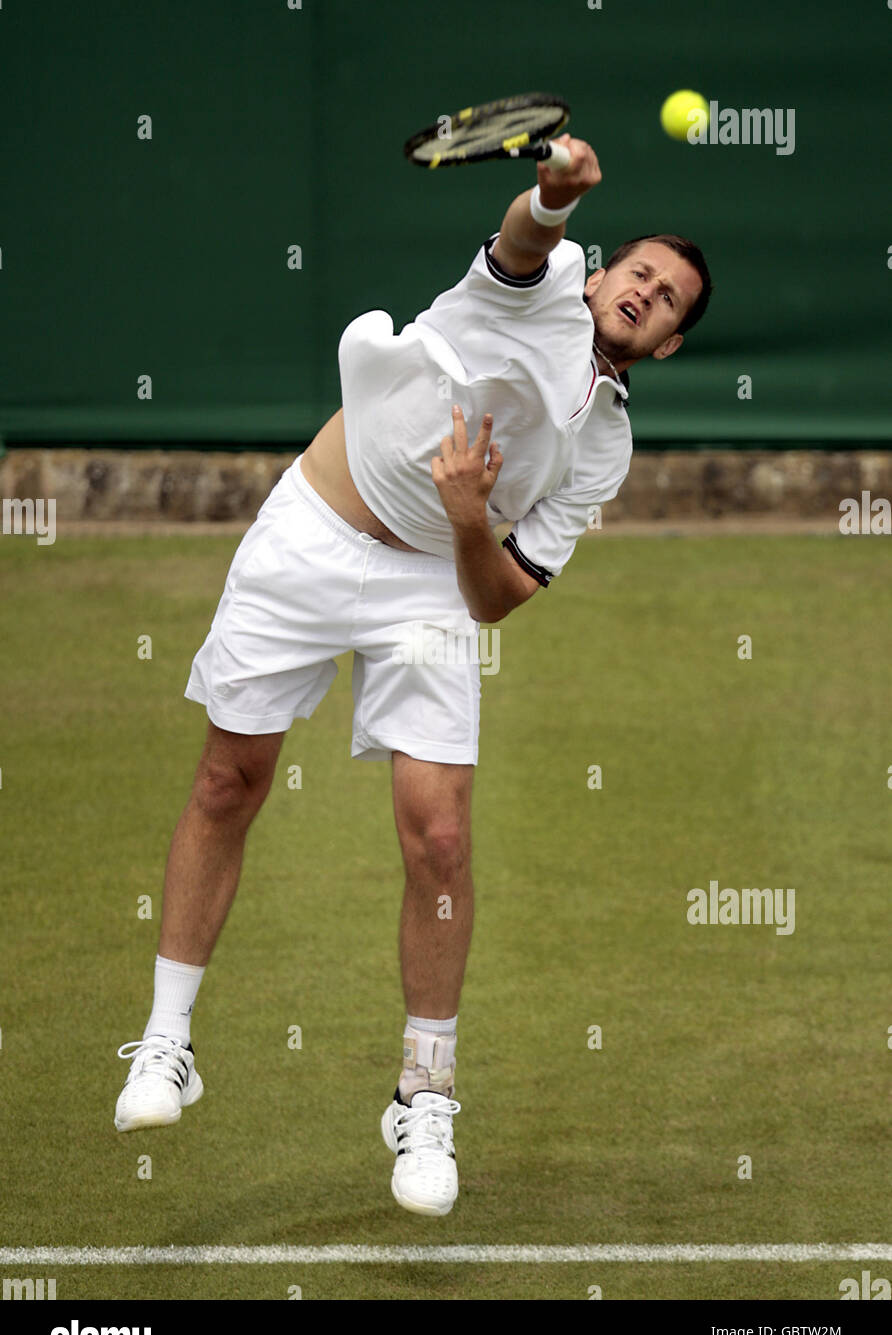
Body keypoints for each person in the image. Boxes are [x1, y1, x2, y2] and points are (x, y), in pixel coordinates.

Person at [113, 134, 712, 1217]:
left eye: (667, 300)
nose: (646, 294)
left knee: (439, 835)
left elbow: (496, 597)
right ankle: (166, 1041)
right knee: (226, 783)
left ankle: (423, 1092)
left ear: (666, 343)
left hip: (437, 585)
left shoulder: (605, 447)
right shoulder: (534, 293)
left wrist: (469, 515)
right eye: (639, 272)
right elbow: (527, 241)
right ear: (600, 272)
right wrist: (551, 193)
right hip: (312, 535)